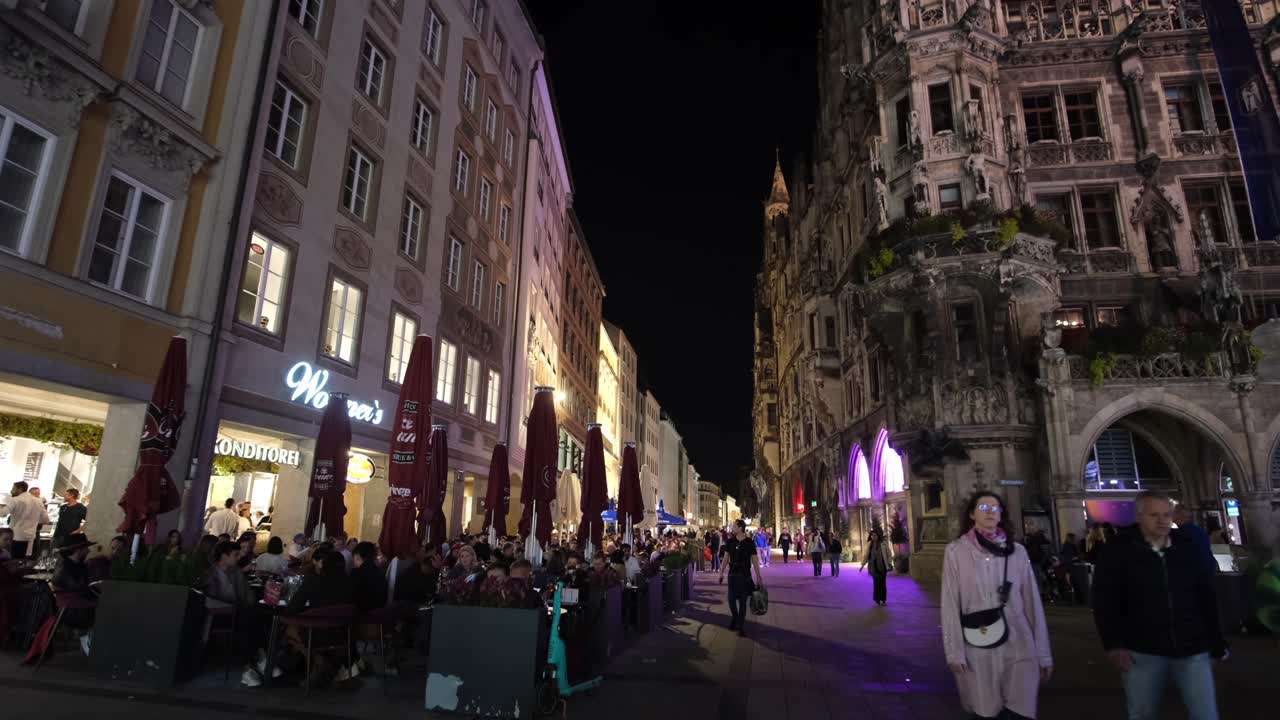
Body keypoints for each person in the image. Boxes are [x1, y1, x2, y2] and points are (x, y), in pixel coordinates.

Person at [1093, 492, 1226, 720]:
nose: (1162, 520)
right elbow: (1105, 600)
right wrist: (1114, 644)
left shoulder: (1186, 547)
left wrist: (1215, 641)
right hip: (1143, 651)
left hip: (1192, 648)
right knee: (1142, 713)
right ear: (1139, 516)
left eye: (1166, 514)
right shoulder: (1119, 550)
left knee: (1205, 714)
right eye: (1154, 515)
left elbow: (1205, 596)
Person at [942, 492, 1052, 720]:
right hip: (978, 645)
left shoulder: (1017, 552)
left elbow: (1032, 603)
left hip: (1020, 643)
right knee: (986, 711)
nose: (990, 511)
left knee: (1020, 710)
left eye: (995, 507)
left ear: (1002, 514)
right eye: (983, 507)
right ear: (972, 514)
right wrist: (954, 652)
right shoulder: (956, 551)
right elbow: (950, 603)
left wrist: (1043, 654)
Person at [50, 534, 96, 656]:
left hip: (76, 607)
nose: (89, 550)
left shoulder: (78, 565)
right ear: (78, 549)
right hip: (74, 611)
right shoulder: (66, 567)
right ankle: (91, 649)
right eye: (86, 548)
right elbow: (79, 589)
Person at [717, 519, 764, 637]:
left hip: (744, 575)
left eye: (734, 526)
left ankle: (741, 626)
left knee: (743, 602)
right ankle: (735, 618)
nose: (732, 528)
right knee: (731, 600)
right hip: (732, 574)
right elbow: (726, 558)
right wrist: (721, 572)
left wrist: (758, 576)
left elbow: (754, 559)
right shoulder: (730, 541)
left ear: (740, 528)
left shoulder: (749, 542)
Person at [0, 481, 50, 559]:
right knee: (24, 561)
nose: (11, 491)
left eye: (13, 489)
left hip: (16, 536)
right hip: (30, 537)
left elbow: (2, 514)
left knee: (13, 561)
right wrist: (34, 521)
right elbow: (46, 520)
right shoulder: (38, 501)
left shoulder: (15, 500)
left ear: (20, 489)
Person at [206, 541, 251, 607]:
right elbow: (211, 602)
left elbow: (246, 595)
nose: (239, 558)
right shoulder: (211, 574)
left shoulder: (237, 572)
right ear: (224, 556)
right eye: (236, 555)